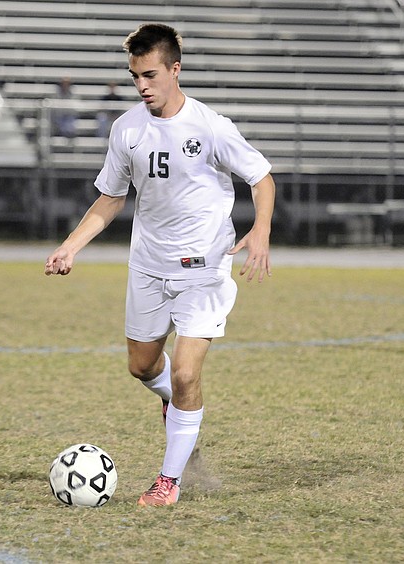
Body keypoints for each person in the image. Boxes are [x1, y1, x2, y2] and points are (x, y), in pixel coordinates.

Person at [45, 24, 275, 506]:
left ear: (175, 69)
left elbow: (262, 178)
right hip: (148, 265)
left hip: (203, 268)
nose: (142, 85)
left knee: (187, 373)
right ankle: (178, 406)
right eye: (135, 76)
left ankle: (168, 481)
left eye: (150, 75)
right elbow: (111, 198)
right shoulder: (127, 129)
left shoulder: (210, 126)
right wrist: (70, 246)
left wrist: (261, 230)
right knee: (142, 366)